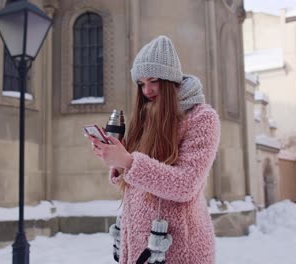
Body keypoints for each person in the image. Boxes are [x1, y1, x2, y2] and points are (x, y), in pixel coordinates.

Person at [84, 35, 221, 264]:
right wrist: (117, 161)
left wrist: (129, 162)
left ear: (170, 79)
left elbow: (185, 185)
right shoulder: (147, 116)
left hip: (177, 249)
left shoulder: (202, 118)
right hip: (138, 245)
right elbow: (137, 185)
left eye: (153, 80)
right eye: (140, 83)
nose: (146, 90)